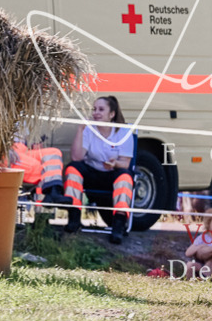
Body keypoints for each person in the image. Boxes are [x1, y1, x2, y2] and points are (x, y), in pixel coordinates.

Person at [62, 95, 134, 244]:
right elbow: (76, 157)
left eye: (101, 109)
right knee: (73, 168)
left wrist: (115, 164)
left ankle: (118, 225)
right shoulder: (89, 130)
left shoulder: (123, 132)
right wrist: (80, 130)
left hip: (112, 174)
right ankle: (74, 218)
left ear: (112, 114)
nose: (96, 113)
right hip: (92, 174)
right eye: (94, 109)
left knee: (125, 177)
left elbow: (125, 163)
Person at [10, 138, 69, 205]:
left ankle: (54, 191)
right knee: (41, 167)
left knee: (54, 152)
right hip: (8, 152)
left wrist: (32, 144)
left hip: (23, 149)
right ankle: (47, 195)